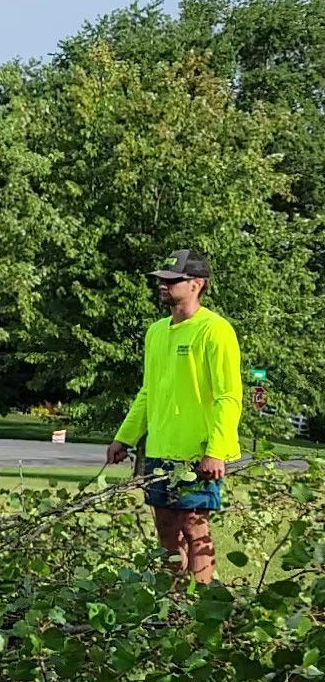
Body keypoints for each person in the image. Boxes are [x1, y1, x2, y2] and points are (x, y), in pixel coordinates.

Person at [105, 249, 242, 585]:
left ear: (197, 284)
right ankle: (173, 598)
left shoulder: (215, 330)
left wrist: (216, 450)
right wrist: (124, 437)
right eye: (161, 280)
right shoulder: (156, 332)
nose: (163, 285)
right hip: (161, 449)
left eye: (172, 279)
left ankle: (202, 600)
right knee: (166, 527)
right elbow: (148, 393)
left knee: (195, 525)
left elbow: (229, 396)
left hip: (198, 451)